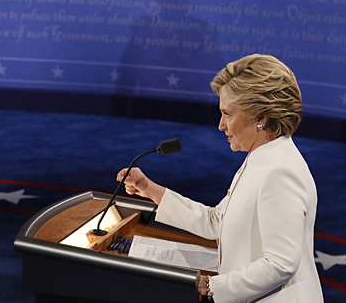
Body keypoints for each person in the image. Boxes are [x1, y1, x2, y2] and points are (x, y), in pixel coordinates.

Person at [117, 54, 323, 303]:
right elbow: (217, 221)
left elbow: (280, 264)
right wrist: (151, 190)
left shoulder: (279, 171)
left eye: (228, 114)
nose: (221, 126)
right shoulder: (261, 157)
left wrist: (211, 286)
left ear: (260, 118)